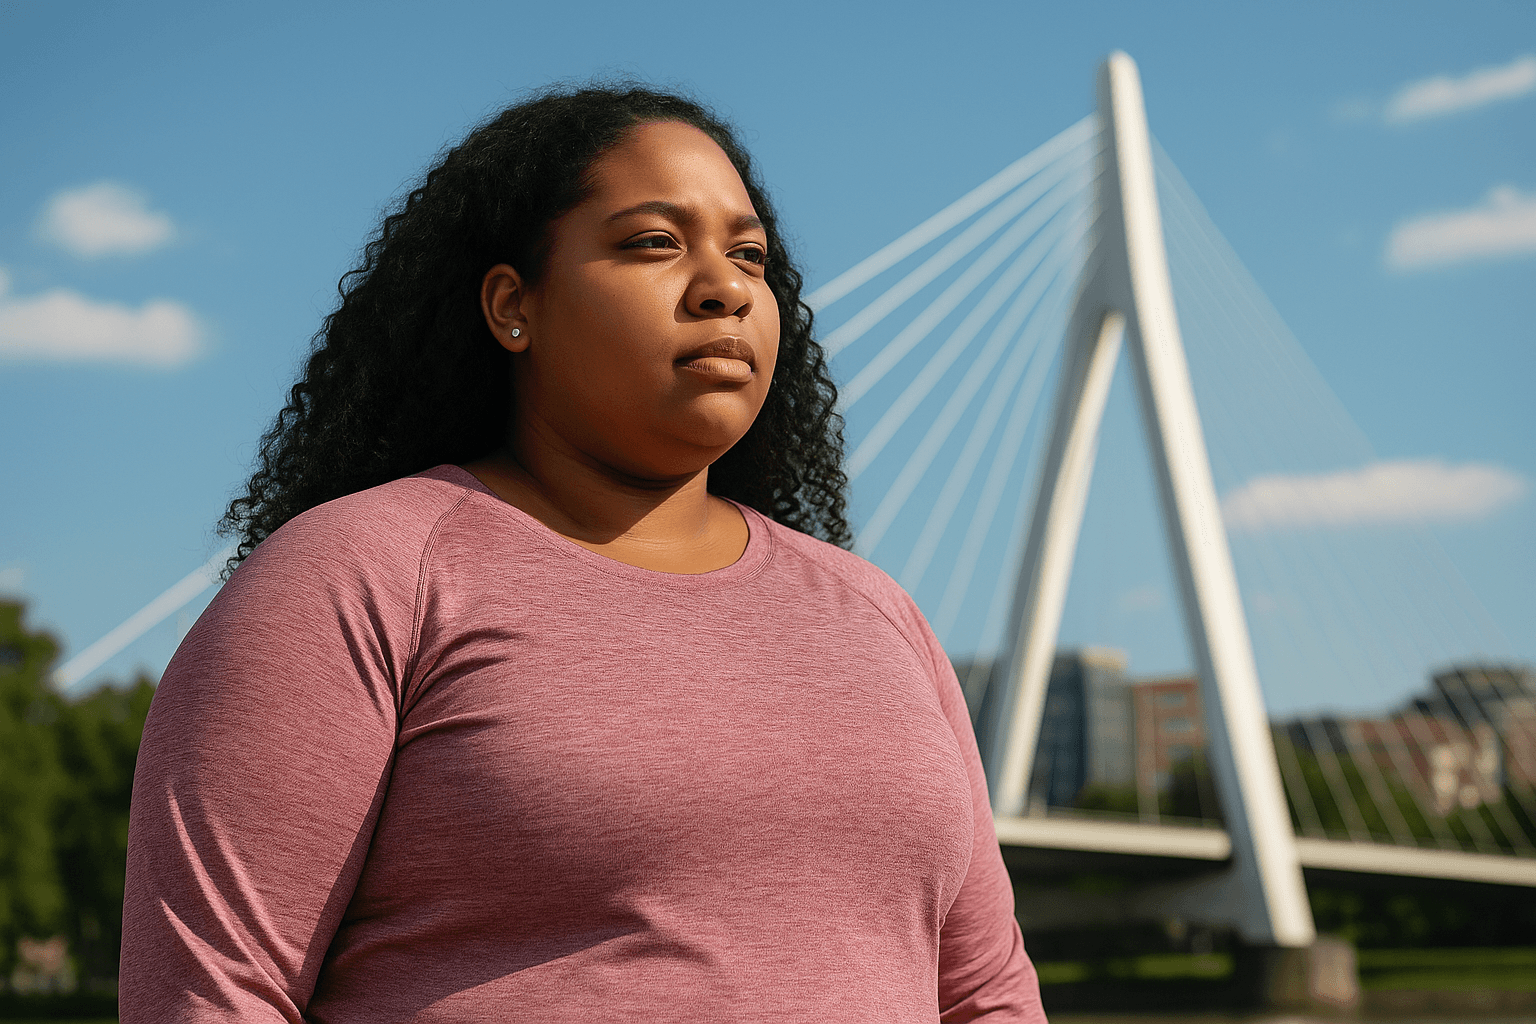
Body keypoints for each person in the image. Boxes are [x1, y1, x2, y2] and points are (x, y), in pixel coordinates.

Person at [121, 84, 1046, 1023]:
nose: (725, 284)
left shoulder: (878, 612)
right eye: (654, 242)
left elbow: (985, 993)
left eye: (750, 255)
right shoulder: (357, 578)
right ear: (513, 306)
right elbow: (213, 994)